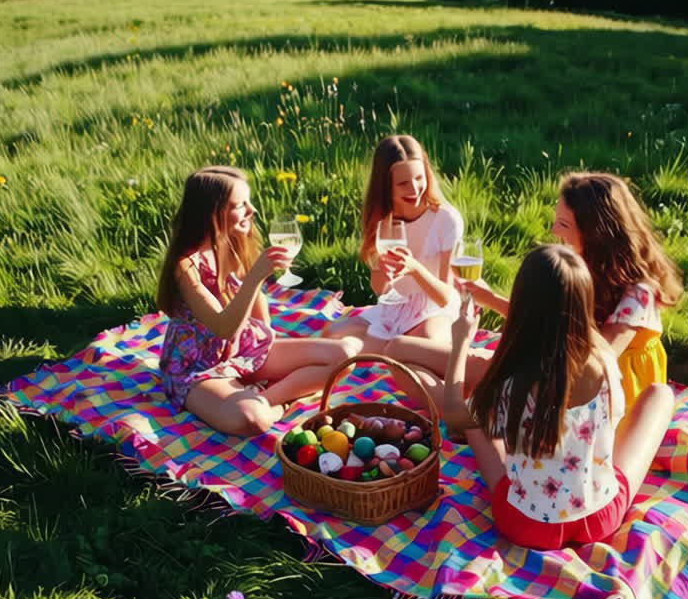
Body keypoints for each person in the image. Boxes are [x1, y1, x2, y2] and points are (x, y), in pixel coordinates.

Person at [441, 245, 674, 550]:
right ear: (584, 301)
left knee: (475, 423)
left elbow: (453, 414)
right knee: (661, 395)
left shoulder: (510, 382)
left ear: (523, 304)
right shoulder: (604, 355)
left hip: (527, 525)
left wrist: (460, 342)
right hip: (599, 518)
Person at [156, 166, 360, 436]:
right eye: (241, 205)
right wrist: (256, 276)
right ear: (213, 213)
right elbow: (222, 327)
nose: (252, 210)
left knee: (345, 356)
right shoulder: (186, 267)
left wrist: (265, 343)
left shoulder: (228, 243)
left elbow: (254, 301)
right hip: (200, 366)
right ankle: (272, 404)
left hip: (240, 348)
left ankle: (265, 397)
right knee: (252, 420)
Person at [461, 172, 683, 410]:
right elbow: (545, 321)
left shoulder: (639, 293)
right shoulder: (583, 263)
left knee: (483, 372)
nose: (555, 230)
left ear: (596, 232)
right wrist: (491, 299)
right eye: (557, 220)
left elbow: (603, 358)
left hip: (612, 396)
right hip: (572, 373)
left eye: (564, 224)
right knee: (472, 364)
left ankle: (462, 410)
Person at [324, 135, 463, 349]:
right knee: (331, 335)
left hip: (435, 310)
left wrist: (415, 269)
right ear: (385, 186)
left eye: (419, 178)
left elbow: (447, 297)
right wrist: (382, 268)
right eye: (403, 183)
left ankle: (387, 350)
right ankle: (385, 351)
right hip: (395, 309)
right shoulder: (382, 220)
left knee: (423, 343)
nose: (414, 189)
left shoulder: (445, 219)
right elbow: (381, 289)